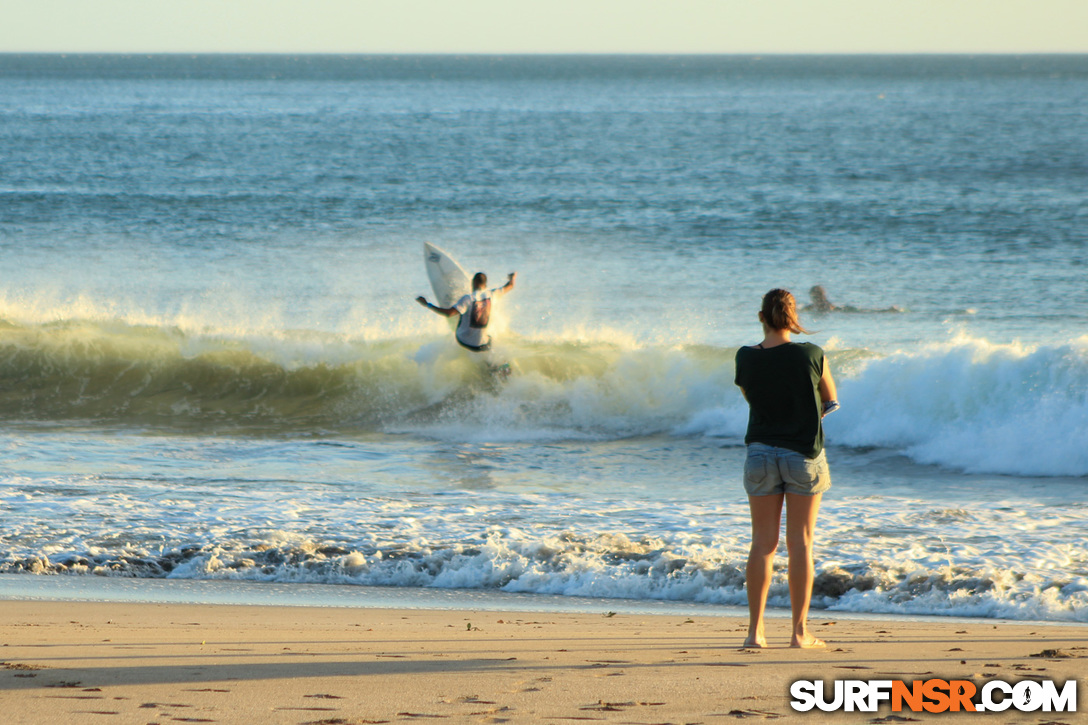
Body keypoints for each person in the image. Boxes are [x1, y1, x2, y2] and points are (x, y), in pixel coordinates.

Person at [734, 288, 838, 649]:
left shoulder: (745, 356)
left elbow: (751, 397)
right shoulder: (811, 353)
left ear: (761, 317)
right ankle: (798, 633)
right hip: (802, 453)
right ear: (794, 319)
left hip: (760, 452)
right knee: (801, 544)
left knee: (762, 543)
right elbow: (831, 400)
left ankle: (754, 633)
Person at [416, 271, 516, 352]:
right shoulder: (492, 294)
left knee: (460, 313)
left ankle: (460, 311)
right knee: (489, 337)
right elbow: (510, 285)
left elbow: (448, 314)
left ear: (474, 282)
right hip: (483, 344)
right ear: (485, 284)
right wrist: (512, 277)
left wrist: (427, 304)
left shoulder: (468, 298)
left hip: (464, 341)